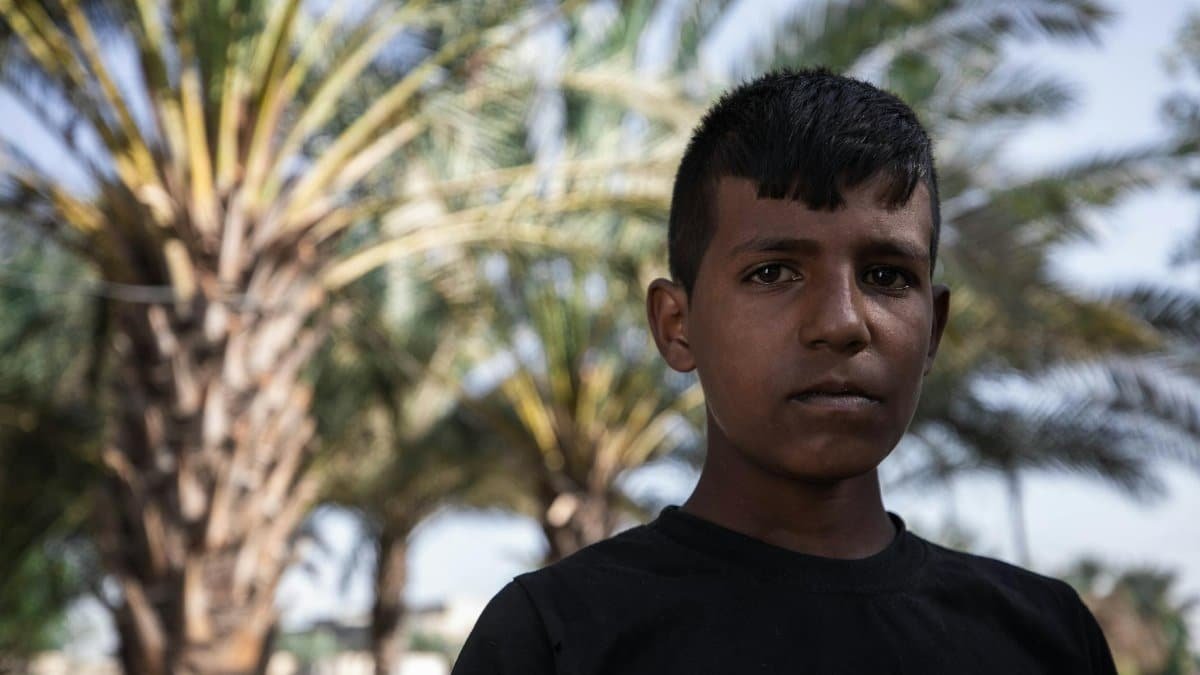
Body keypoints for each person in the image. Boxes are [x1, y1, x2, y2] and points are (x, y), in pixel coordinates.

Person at [451, 69, 1118, 674]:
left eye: (887, 275)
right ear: (676, 325)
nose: (841, 322)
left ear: (933, 327)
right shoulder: (554, 641)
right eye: (772, 272)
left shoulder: (1046, 638)